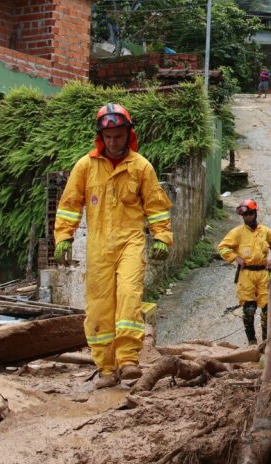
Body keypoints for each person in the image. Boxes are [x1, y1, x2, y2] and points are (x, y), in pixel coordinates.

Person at [53, 103, 173, 389]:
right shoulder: (85, 166)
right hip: (98, 246)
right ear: (100, 137)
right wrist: (63, 237)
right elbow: (69, 205)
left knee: (129, 296)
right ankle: (106, 368)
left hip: (130, 240)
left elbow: (156, 207)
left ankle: (128, 360)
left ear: (128, 134)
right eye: (108, 137)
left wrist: (161, 236)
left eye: (118, 136)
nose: (113, 142)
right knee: (98, 308)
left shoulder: (141, 167)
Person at [218, 199, 271, 345]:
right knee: (249, 309)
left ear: (254, 213)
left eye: (248, 214)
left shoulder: (265, 232)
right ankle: (252, 342)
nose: (246, 217)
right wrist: (235, 257)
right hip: (246, 274)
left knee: (268, 309)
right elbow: (222, 247)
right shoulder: (237, 233)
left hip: (263, 274)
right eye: (244, 215)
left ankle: (267, 342)